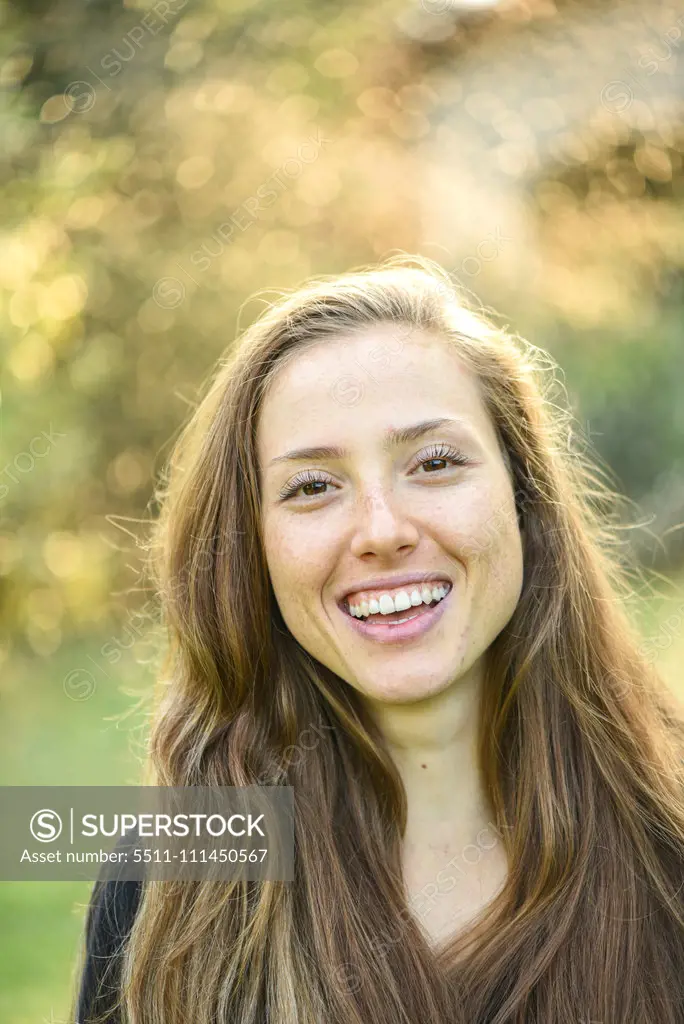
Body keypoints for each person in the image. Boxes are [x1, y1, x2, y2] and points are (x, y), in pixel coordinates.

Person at [72, 254, 684, 1024]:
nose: (382, 531)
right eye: (313, 486)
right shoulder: (163, 884)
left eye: (433, 463)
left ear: (525, 500)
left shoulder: (671, 837)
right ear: (250, 551)